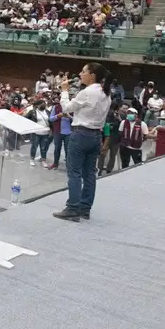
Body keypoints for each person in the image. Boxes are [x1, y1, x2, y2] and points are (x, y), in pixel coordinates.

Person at [53, 63, 113, 222]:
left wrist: (64, 91)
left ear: (92, 75)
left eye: (83, 71)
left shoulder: (87, 92)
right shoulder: (106, 93)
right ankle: (85, 209)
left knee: (74, 173)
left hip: (80, 135)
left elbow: (66, 108)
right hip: (96, 136)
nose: (80, 74)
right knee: (89, 174)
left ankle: (72, 207)